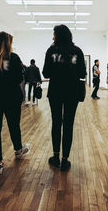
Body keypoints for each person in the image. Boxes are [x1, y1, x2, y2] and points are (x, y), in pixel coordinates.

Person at [0, 31, 29, 175]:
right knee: (14, 125)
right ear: (8, 43)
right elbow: (19, 78)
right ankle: (18, 151)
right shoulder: (13, 57)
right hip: (10, 97)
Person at [42, 24, 86, 171]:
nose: (52, 36)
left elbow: (46, 73)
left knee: (56, 122)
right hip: (72, 92)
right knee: (68, 124)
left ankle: (55, 156)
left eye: (54, 34)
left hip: (55, 92)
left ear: (58, 35)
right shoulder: (77, 51)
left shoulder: (51, 50)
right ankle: (65, 159)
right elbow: (82, 74)